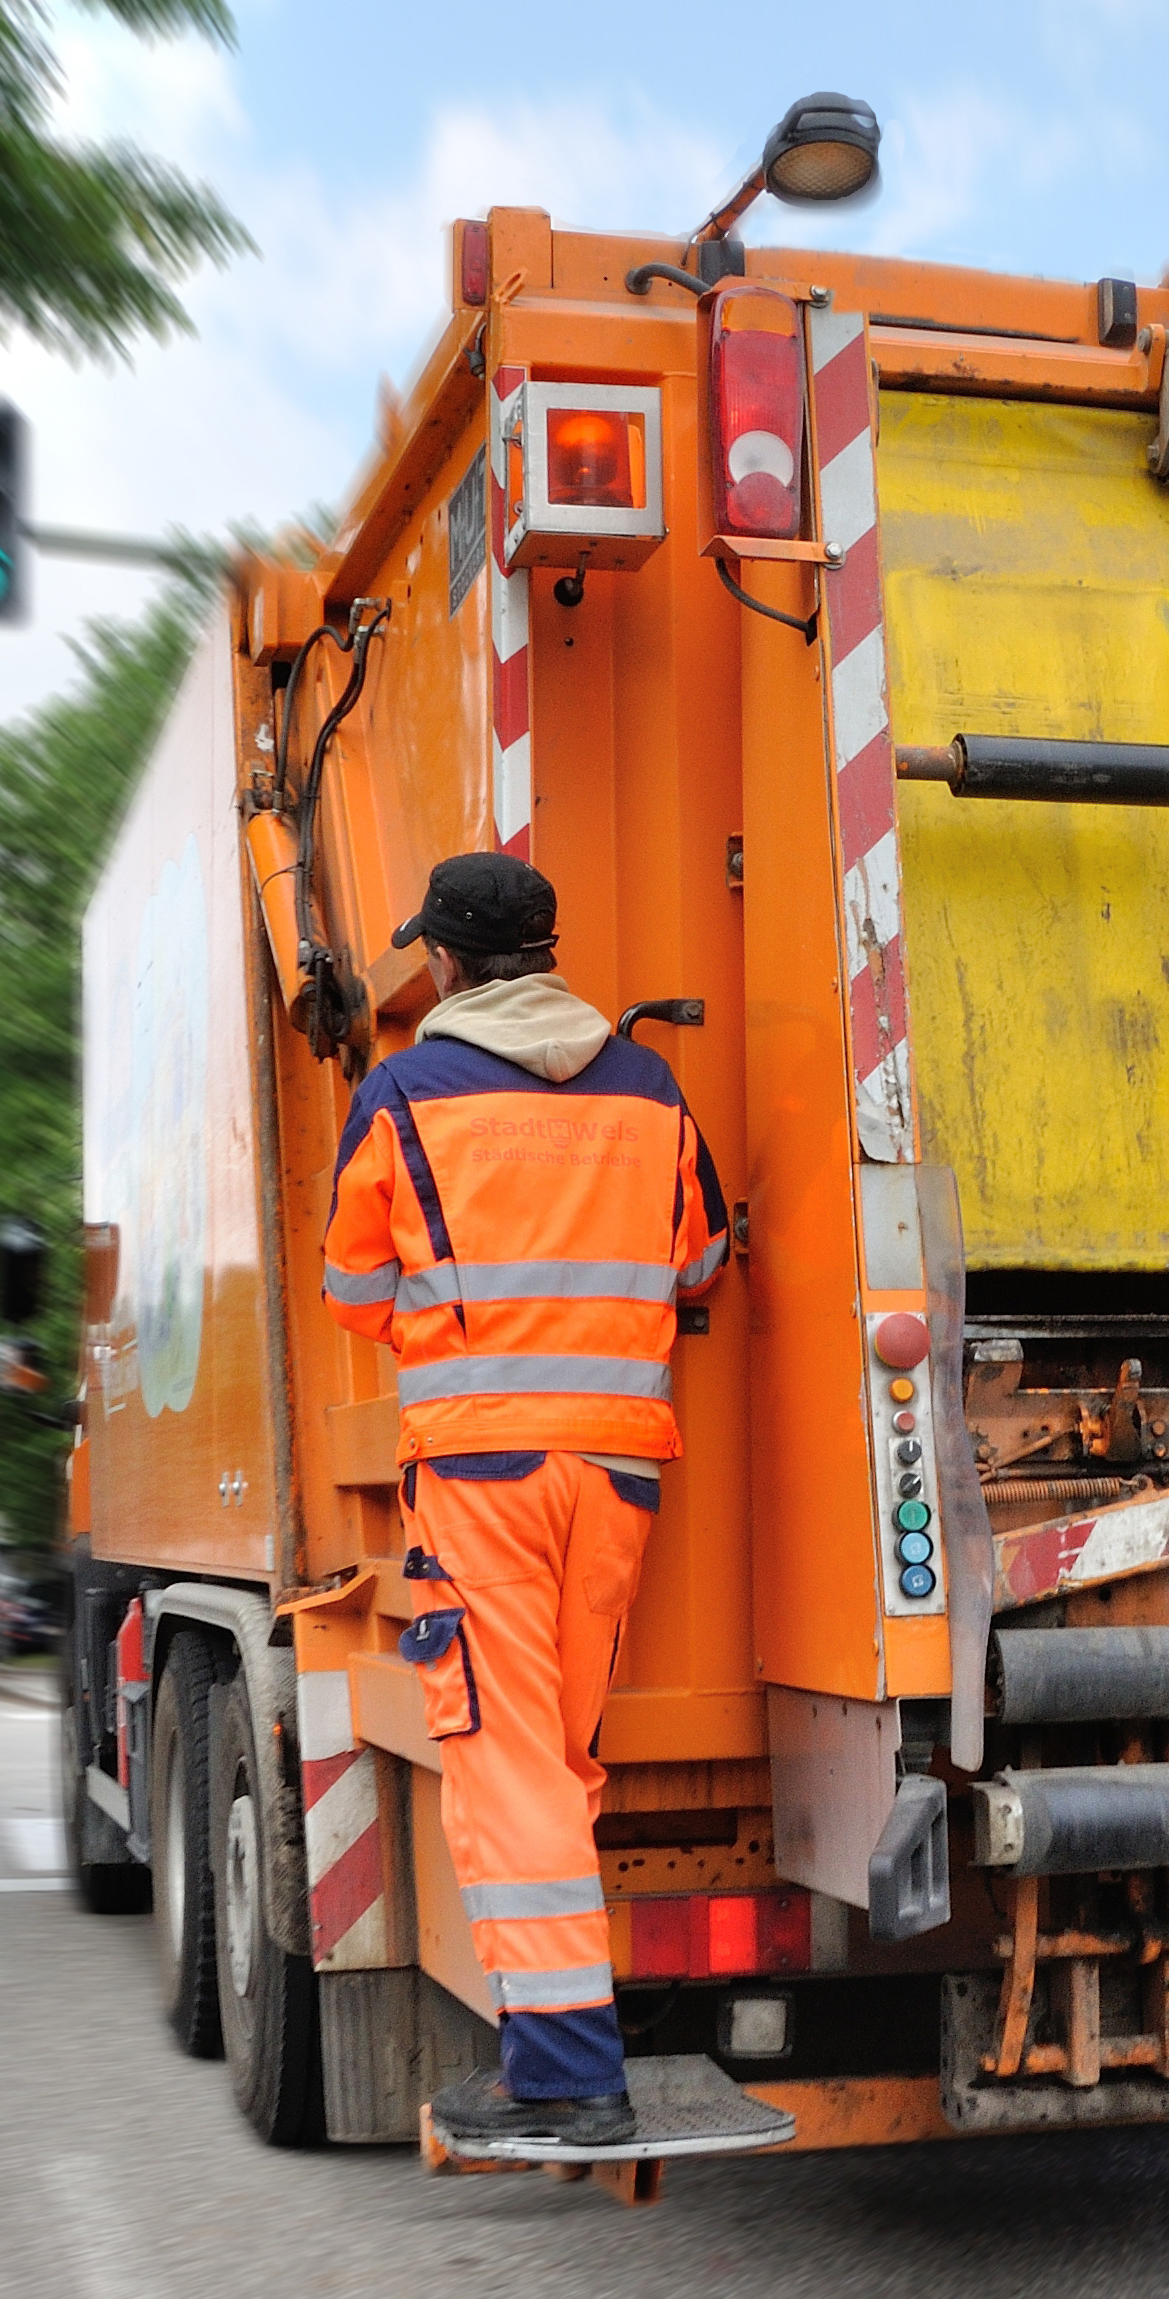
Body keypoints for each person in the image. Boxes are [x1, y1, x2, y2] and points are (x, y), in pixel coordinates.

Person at [322, 850, 731, 2152]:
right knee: (558, 1752)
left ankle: (566, 2072)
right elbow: (705, 1256)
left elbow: (354, 1293)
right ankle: (561, 2046)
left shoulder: (403, 1094)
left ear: (441, 962)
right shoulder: (651, 1088)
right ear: (547, 953)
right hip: (616, 1470)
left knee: (507, 1764)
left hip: (480, 1473)